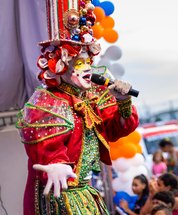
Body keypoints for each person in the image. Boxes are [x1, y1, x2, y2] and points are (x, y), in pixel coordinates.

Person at [16, 1, 139, 214]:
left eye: (88, 61)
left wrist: (122, 101)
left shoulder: (93, 96)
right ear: (61, 66)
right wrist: (55, 165)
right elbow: (44, 147)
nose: (87, 68)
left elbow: (116, 129)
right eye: (79, 63)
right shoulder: (47, 102)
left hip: (84, 192)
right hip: (59, 196)